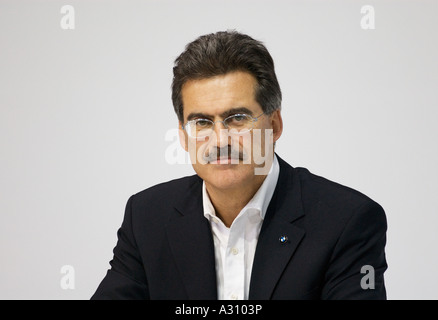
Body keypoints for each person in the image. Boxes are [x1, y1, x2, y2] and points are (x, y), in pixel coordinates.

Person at [91, 30, 387, 300]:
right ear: (183, 136)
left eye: (237, 118)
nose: (220, 140)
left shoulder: (347, 221)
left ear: (274, 125)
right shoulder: (147, 217)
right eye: (202, 122)